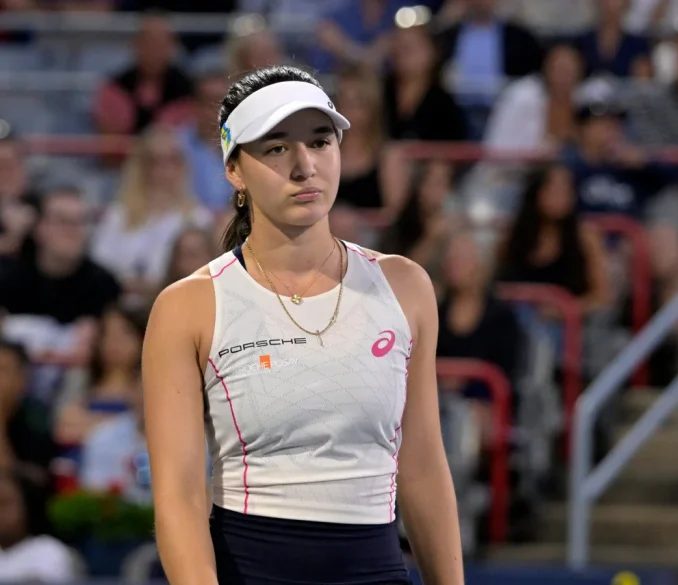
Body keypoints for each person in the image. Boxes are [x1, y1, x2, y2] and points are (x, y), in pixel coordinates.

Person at [142, 65, 463, 585]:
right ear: (234, 170)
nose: (304, 166)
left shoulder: (405, 286)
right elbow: (178, 493)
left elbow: (423, 464)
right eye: (275, 148)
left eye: (320, 142)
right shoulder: (190, 306)